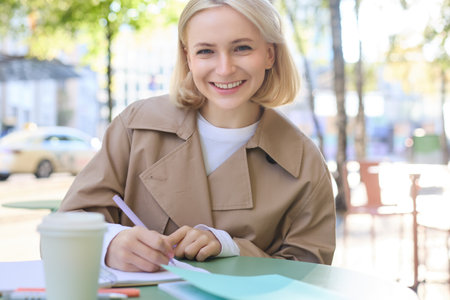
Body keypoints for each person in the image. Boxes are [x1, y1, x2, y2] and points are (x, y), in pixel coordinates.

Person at [59, 0, 336, 273]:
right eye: (206, 51)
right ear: (188, 57)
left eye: (242, 48)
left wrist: (230, 247)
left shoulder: (305, 164)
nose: (225, 68)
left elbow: (311, 276)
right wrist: (108, 243)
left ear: (269, 54)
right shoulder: (136, 128)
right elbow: (65, 226)